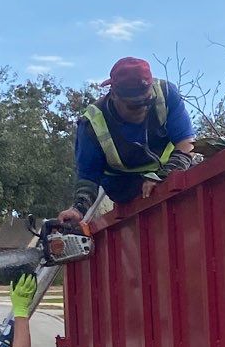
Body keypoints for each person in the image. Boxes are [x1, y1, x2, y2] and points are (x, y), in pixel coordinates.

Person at [61, 56, 196, 224]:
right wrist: (78, 209)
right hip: (124, 184)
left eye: (147, 101)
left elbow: (187, 143)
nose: (143, 109)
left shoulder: (166, 94)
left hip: (169, 168)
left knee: (194, 174)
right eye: (134, 105)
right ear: (114, 95)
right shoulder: (92, 124)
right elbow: (88, 178)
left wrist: (163, 175)